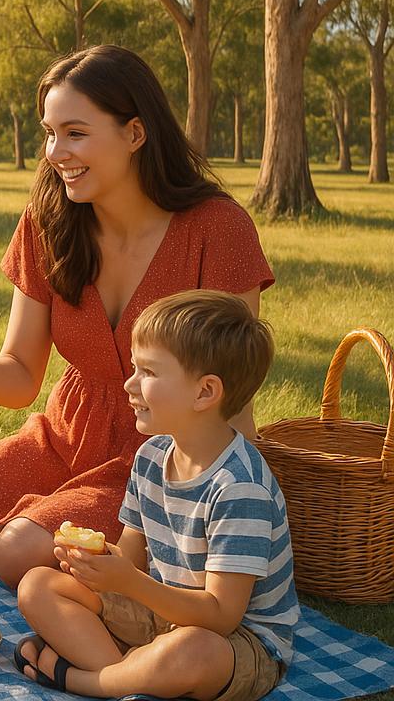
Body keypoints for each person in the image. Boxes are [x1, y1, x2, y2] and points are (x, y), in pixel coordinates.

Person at [0, 44, 275, 587]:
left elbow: (231, 391)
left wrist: (237, 503)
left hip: (159, 455)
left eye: (75, 132)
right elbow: (21, 376)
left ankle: (8, 517)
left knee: (16, 553)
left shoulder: (218, 229)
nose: (55, 151)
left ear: (135, 134)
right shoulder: (48, 221)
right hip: (63, 434)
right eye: (49, 133)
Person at [15, 290, 300, 701]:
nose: (129, 384)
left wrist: (130, 582)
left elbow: (220, 617)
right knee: (37, 584)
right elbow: (132, 553)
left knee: (191, 651)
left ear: (205, 393)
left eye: (147, 372)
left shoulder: (240, 488)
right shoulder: (151, 455)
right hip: (161, 613)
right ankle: (129, 676)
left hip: (236, 644)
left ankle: (85, 681)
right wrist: (97, 566)